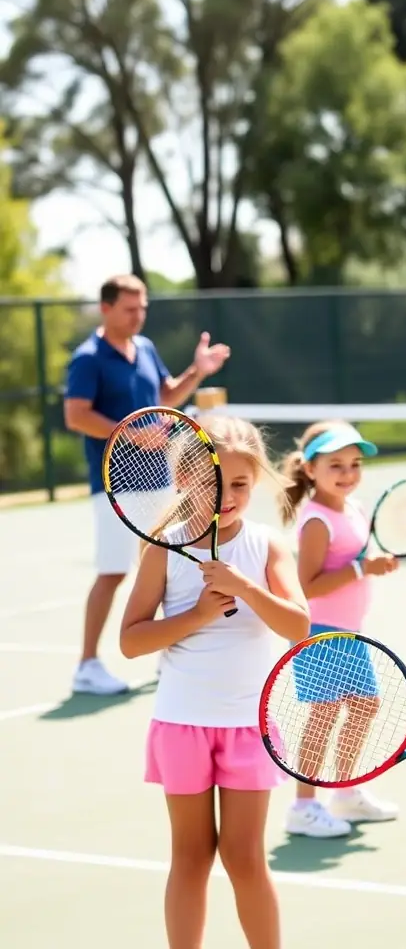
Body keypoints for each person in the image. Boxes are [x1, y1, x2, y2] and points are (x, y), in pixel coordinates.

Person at [119, 415, 310, 949]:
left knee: (245, 858)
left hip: (249, 727)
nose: (225, 496)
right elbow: (131, 640)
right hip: (182, 726)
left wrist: (244, 586)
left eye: (240, 484)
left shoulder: (266, 545)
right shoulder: (163, 547)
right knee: (191, 856)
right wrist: (198, 614)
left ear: (257, 483)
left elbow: (298, 626)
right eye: (210, 482)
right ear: (183, 480)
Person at [63, 274, 230, 695]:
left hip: (160, 482)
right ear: (106, 309)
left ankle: (167, 653)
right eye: (129, 309)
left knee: (164, 569)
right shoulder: (88, 358)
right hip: (115, 486)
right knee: (113, 572)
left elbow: (166, 396)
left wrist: (199, 370)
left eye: (143, 309)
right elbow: (76, 415)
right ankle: (87, 665)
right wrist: (131, 432)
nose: (138, 316)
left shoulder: (146, 349)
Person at [279, 420, 400, 838]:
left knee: (365, 706)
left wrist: (374, 561)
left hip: (350, 631)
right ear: (310, 469)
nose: (347, 473)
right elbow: (308, 585)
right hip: (319, 630)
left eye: (354, 464)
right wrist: (362, 568)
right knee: (324, 716)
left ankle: (346, 793)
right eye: (336, 465)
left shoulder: (355, 508)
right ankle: (303, 806)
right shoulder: (315, 520)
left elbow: (358, 557)